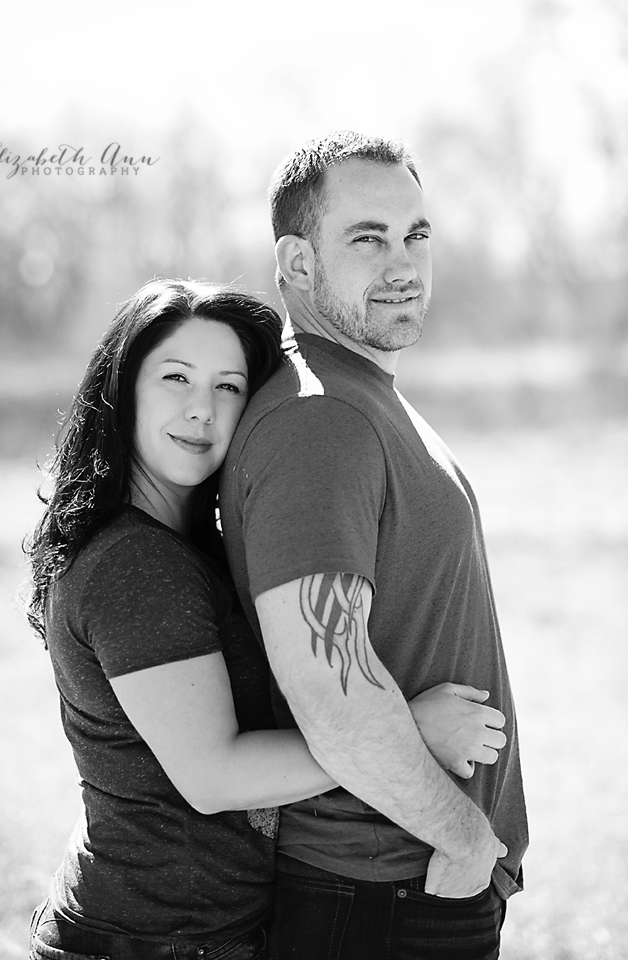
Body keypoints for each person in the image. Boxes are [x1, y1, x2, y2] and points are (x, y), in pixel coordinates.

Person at [25, 276, 509, 960]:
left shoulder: (178, 548)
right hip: (150, 940)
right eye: (175, 377)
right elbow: (214, 775)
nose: (202, 410)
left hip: (185, 931)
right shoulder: (137, 564)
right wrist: (408, 733)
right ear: (121, 389)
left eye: (227, 386)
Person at [219, 132, 528, 959]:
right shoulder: (319, 420)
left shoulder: (358, 396)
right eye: (367, 238)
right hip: (380, 893)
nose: (403, 264)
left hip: (401, 885)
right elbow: (331, 691)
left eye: (415, 235)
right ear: (296, 262)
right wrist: (464, 839)